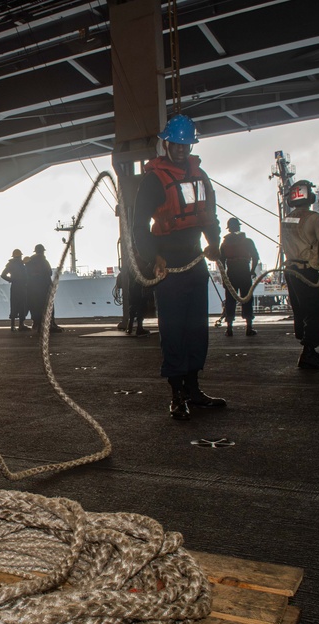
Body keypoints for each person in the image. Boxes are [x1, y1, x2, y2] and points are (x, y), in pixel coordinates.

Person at [131, 114, 226, 420]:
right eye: (177, 143)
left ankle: (195, 389)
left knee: (197, 328)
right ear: (166, 143)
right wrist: (152, 258)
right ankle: (177, 394)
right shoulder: (153, 180)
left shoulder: (201, 176)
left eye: (187, 144)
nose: (182, 149)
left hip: (196, 261)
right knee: (173, 330)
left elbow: (209, 215)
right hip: (168, 267)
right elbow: (138, 226)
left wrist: (214, 243)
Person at [281, 180, 319, 370]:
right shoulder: (315, 218)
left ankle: (308, 348)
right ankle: (308, 353)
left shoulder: (286, 219)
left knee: (300, 310)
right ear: (310, 197)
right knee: (315, 309)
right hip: (307, 271)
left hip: (291, 270)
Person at [219, 217, 259, 337]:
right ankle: (249, 327)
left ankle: (229, 329)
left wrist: (224, 277)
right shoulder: (247, 241)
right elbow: (255, 257)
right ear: (239, 227)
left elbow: (220, 262)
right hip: (244, 271)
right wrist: (252, 271)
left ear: (229, 228)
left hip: (231, 272)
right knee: (247, 299)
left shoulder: (224, 244)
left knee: (230, 300)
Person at [26, 244, 63, 333]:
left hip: (34, 288)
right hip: (45, 287)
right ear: (42, 251)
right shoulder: (44, 261)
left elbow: (27, 273)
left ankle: (37, 325)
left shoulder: (30, 262)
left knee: (36, 307)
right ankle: (51, 324)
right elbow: (49, 272)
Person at [0, 248, 29, 331]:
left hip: (15, 287)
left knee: (14, 305)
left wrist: (12, 280)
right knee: (22, 305)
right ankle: (21, 325)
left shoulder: (10, 264)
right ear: (20, 256)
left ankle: (13, 326)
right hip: (22, 287)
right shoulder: (21, 265)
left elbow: (3, 275)